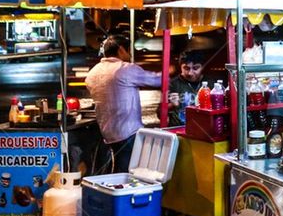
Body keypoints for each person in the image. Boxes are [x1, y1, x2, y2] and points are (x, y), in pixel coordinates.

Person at [85, 35, 162, 174]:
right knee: (130, 173)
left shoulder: (92, 73)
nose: (130, 54)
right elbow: (157, 80)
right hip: (128, 132)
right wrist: (169, 72)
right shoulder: (125, 69)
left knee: (120, 168)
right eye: (129, 50)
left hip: (108, 133)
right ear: (121, 50)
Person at [167, 49, 205, 127]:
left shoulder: (212, 83)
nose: (190, 73)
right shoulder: (173, 83)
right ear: (180, 67)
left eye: (195, 68)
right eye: (186, 68)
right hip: (178, 129)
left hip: (203, 127)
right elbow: (160, 113)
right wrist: (171, 105)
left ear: (203, 67)